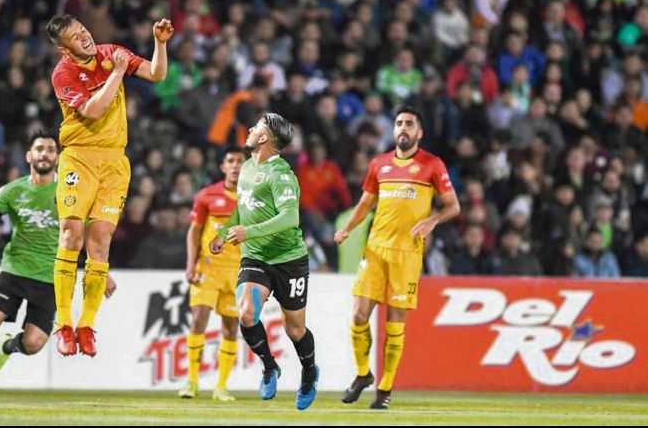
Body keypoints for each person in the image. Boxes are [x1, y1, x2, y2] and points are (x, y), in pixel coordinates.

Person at [0, 131, 114, 404]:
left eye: (50, 150)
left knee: (33, 343)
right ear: (29, 156)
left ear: (58, 158)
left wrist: (101, 271)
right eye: (39, 149)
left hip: (51, 277)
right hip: (15, 271)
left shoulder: (71, 193)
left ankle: (8, 346)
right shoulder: (12, 191)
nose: (44, 154)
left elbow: (88, 235)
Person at [46, 14, 172, 357]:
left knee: (100, 240)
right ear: (64, 49)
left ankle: (86, 325)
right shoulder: (63, 73)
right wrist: (117, 72)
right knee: (71, 234)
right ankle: (64, 324)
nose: (84, 37)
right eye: (75, 37)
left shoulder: (110, 52)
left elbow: (157, 74)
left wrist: (159, 44)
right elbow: (93, 110)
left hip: (114, 161)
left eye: (83, 30)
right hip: (80, 157)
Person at [335, 106, 461, 409]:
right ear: (393, 130)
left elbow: (453, 206)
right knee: (358, 315)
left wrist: (433, 220)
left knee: (394, 324)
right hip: (375, 249)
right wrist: (348, 228)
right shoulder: (379, 164)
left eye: (409, 124)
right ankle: (363, 374)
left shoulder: (432, 165)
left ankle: (385, 388)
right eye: (399, 123)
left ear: (420, 132)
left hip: (407, 254)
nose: (403, 128)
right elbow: (365, 203)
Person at [210, 113, 319, 411]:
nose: (250, 128)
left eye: (257, 125)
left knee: (295, 330)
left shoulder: (281, 174)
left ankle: (309, 372)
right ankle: (270, 367)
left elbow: (289, 218)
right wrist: (223, 233)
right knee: (246, 313)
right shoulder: (247, 167)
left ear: (265, 137)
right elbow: (243, 206)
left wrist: (248, 232)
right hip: (255, 256)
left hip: (289, 260)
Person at [179, 145, 246, 402]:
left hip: (237, 270)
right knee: (198, 320)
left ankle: (221, 387)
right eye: (231, 161)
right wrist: (190, 264)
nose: (235, 165)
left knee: (230, 328)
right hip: (208, 267)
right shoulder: (207, 195)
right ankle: (192, 381)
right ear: (223, 166)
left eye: (240, 161)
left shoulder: (253, 199)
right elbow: (194, 231)